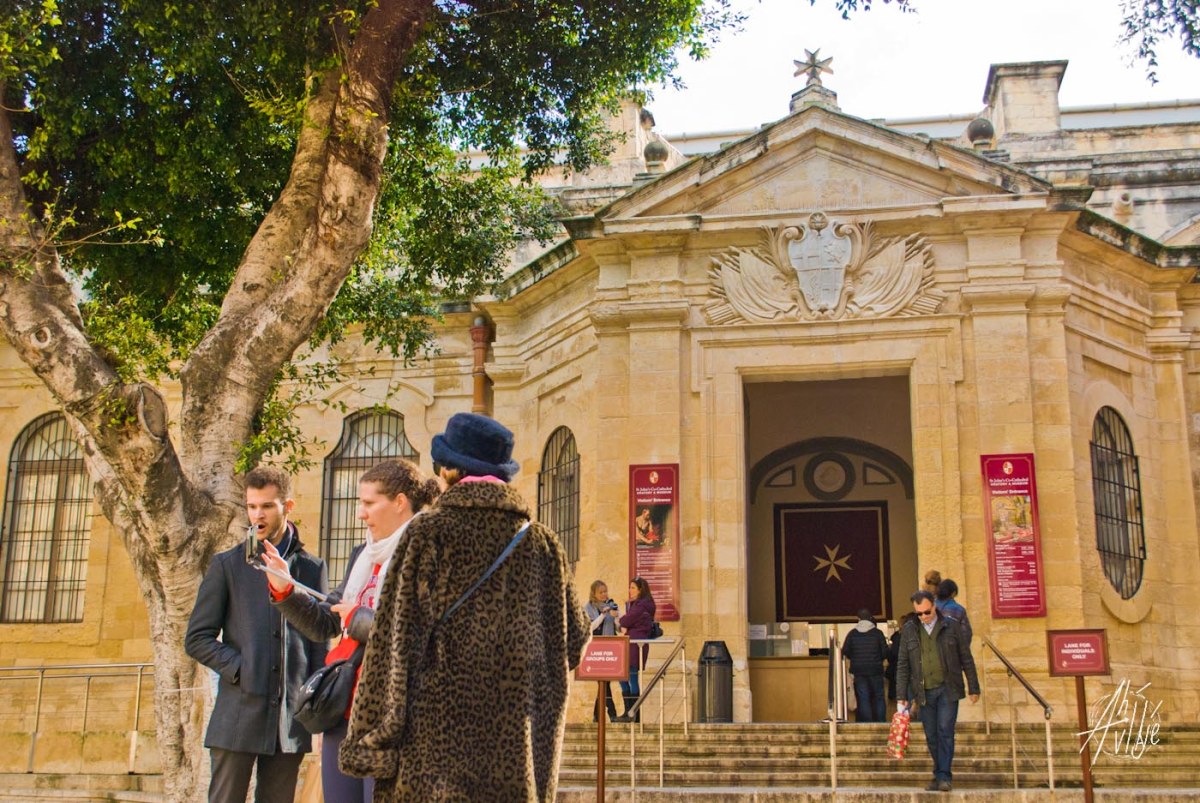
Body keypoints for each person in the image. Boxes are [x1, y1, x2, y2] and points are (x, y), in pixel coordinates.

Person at [339, 412, 589, 802]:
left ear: (449, 470)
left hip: (432, 757)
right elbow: (574, 640)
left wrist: (370, 741)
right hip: (514, 759)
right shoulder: (543, 544)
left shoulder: (427, 533)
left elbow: (392, 644)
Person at [263, 459, 440, 803]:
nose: (360, 513)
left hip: (392, 713)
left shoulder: (429, 552)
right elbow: (327, 622)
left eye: (369, 503)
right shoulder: (363, 553)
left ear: (400, 502)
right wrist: (284, 589)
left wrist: (359, 618)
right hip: (343, 706)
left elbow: (423, 634)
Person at [185, 465, 329, 803]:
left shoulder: (312, 568)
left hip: (289, 724)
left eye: (266, 506)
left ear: (287, 506)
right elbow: (197, 638)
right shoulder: (227, 565)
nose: (257, 515)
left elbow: (319, 642)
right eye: (251, 506)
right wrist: (240, 668)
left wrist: (317, 708)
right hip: (237, 716)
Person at [896, 590, 980, 793]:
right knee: (931, 735)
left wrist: (973, 686)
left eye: (927, 612)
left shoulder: (951, 626)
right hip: (923, 692)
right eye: (919, 613)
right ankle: (939, 772)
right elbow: (903, 664)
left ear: (934, 606)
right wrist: (901, 695)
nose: (924, 616)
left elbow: (966, 657)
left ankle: (943, 776)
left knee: (945, 730)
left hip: (947, 688)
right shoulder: (909, 630)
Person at [614, 576, 656, 723]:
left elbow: (625, 621)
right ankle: (630, 712)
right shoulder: (643, 604)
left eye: (633, 588)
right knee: (623, 676)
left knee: (631, 676)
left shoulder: (640, 606)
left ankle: (632, 713)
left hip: (634, 644)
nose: (630, 590)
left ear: (640, 590)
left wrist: (621, 620)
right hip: (633, 643)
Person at [841, 608, 888, 722]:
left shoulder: (852, 634)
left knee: (863, 698)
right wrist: (878, 660)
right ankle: (881, 723)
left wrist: (855, 658)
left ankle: (867, 724)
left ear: (858, 619)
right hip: (876, 670)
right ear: (870, 618)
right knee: (879, 697)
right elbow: (885, 652)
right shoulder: (878, 633)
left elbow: (845, 651)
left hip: (859, 671)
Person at [584, 579, 620, 723]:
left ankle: (597, 715)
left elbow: (619, 628)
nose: (604, 594)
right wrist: (603, 615)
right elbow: (589, 627)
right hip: (595, 649)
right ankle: (612, 713)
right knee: (603, 682)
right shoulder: (588, 607)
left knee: (604, 682)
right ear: (594, 594)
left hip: (611, 648)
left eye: (605, 591)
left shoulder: (611, 605)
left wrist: (616, 618)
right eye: (601, 592)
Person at [935, 578, 973, 645]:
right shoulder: (959, 610)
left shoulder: (929, 607)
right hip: (952, 649)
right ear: (953, 593)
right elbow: (966, 634)